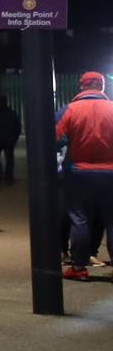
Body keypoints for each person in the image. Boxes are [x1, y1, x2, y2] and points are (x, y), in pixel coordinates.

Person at [57, 72, 113, 280]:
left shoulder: (70, 110)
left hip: (79, 173)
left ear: (81, 87)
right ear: (102, 87)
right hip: (110, 172)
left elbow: (51, 137)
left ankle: (79, 267)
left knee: (80, 220)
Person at [0, 96, 22, 186]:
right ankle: (9, 178)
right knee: (9, 158)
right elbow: (17, 127)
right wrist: (15, 137)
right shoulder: (12, 113)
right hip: (9, 139)